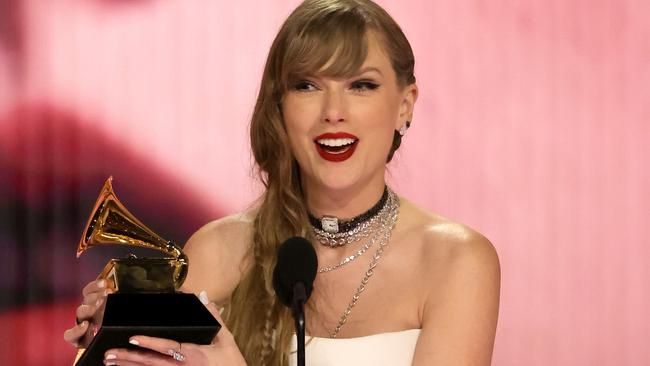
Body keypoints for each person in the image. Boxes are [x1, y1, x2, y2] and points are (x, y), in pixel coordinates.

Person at [64, 0, 500, 364]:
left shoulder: (456, 261)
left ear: (405, 105)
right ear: (279, 106)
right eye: (307, 85)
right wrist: (111, 340)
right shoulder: (220, 250)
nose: (334, 111)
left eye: (361, 85)